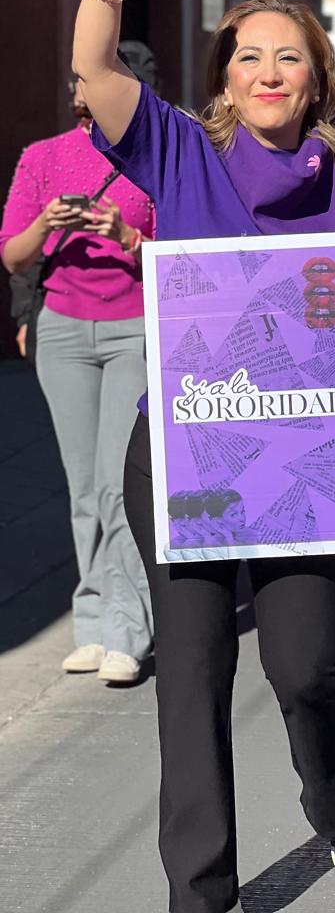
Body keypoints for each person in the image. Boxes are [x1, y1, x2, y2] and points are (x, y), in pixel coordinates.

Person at [73, 0, 335, 911]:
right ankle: (201, 893)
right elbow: (94, 69)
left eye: (289, 56)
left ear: (318, 81)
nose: (267, 71)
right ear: (227, 76)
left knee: (308, 666)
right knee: (194, 679)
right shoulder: (179, 149)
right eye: (248, 55)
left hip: (309, 463)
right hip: (183, 458)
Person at [0, 62, 159, 685]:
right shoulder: (43, 157)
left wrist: (124, 234)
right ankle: (90, 622)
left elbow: (182, 251)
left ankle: (128, 629)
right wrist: (48, 224)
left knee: (121, 486)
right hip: (63, 332)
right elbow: (12, 252)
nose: (85, 94)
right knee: (84, 488)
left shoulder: (155, 159)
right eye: (80, 86)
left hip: (134, 330)